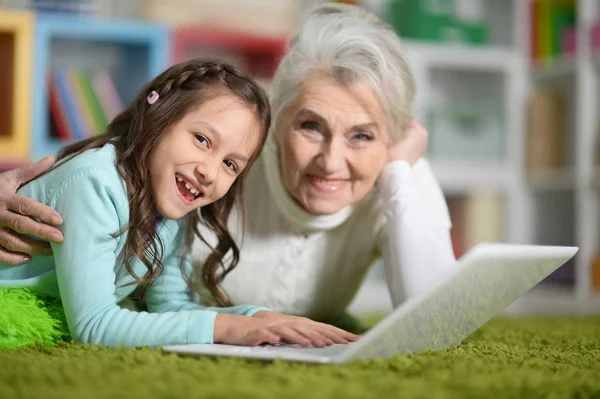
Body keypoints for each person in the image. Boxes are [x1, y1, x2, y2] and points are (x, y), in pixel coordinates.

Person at [0, 4, 456, 328]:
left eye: (363, 135)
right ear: (277, 126)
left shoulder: (401, 175)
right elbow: (103, 316)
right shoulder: (194, 168)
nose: (331, 161)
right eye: (310, 127)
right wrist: (233, 328)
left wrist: (398, 176)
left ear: (394, 140)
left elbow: (438, 319)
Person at [0, 58, 358, 348]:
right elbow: (93, 326)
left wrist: (259, 318)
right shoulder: (95, 182)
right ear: (160, 118)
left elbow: (173, 308)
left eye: (230, 164)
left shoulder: (173, 204)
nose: (209, 172)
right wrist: (223, 327)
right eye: (202, 140)